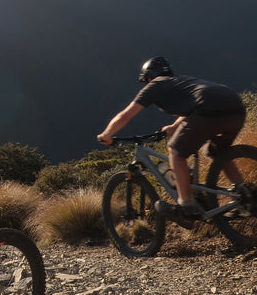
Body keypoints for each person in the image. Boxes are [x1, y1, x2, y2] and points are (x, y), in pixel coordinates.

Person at [97, 57, 246, 227]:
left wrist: (107, 134)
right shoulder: (181, 81)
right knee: (217, 152)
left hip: (210, 110)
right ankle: (244, 195)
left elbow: (126, 115)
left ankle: (186, 206)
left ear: (149, 78)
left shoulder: (155, 84)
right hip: (236, 107)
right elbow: (195, 104)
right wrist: (174, 127)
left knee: (175, 151)